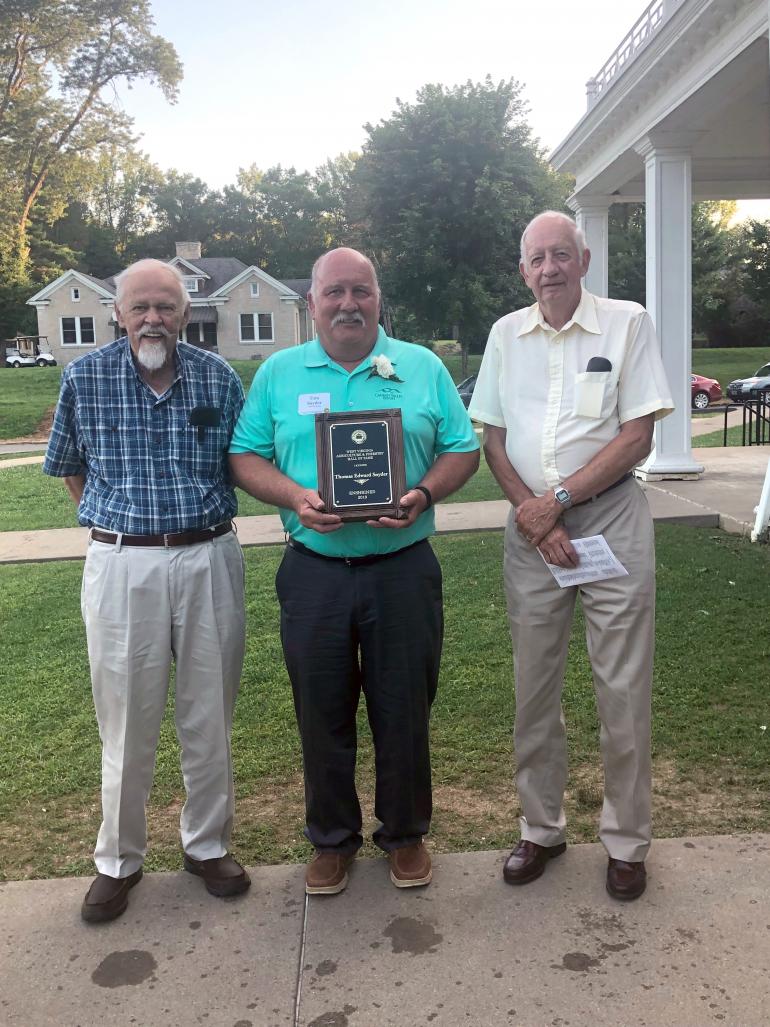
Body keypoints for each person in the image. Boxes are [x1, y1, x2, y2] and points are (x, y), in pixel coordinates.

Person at [229, 247, 479, 895]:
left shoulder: (420, 366)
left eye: (360, 291)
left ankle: (405, 834)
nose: (348, 303)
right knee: (320, 708)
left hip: (403, 569)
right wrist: (294, 497)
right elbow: (245, 455)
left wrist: (422, 493)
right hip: (313, 571)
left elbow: (463, 449)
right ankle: (332, 840)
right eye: (334, 291)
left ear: (377, 298)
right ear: (311, 302)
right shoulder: (279, 373)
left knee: (404, 707)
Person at [469, 211, 673, 901]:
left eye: (562, 254)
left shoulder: (627, 322)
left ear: (583, 260)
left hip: (610, 519)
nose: (550, 268)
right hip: (533, 532)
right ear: (522, 269)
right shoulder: (504, 334)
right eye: (537, 258)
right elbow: (492, 440)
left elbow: (638, 433)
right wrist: (537, 515)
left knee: (622, 685)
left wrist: (555, 499)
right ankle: (541, 826)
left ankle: (626, 839)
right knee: (534, 688)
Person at [44, 259, 250, 922]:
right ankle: (118, 859)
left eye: (167, 306)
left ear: (186, 313)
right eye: (141, 307)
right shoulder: (86, 377)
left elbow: (240, 463)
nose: (153, 318)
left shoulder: (218, 377)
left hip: (208, 555)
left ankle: (207, 843)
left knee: (208, 710)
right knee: (125, 719)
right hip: (122, 561)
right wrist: (122, 527)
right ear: (118, 313)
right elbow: (71, 470)